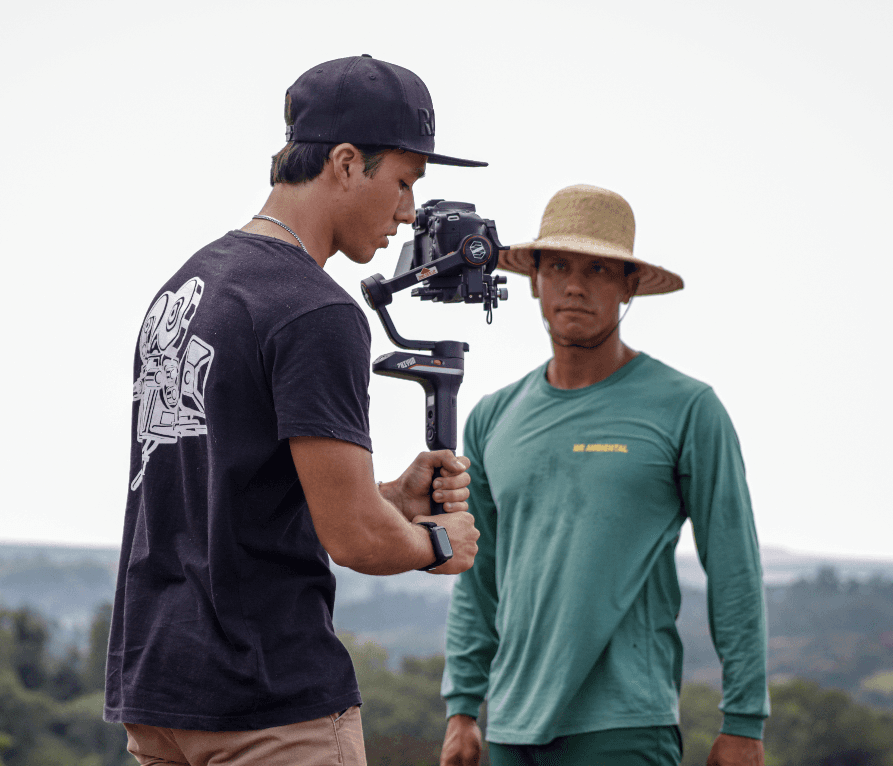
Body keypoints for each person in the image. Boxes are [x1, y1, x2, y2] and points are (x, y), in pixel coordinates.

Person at [103, 55, 486, 766]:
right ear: (346, 163)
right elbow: (355, 539)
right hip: (268, 707)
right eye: (404, 182)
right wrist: (438, 543)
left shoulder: (188, 286)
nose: (409, 212)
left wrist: (389, 498)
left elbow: (235, 499)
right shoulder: (316, 311)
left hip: (160, 696)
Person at [439, 185, 769, 766]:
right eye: (558, 266)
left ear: (628, 286)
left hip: (626, 727)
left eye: (598, 269)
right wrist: (462, 707)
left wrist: (744, 720)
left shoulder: (687, 409)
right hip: (511, 726)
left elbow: (734, 567)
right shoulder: (493, 417)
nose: (575, 285)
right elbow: (477, 573)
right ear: (534, 280)